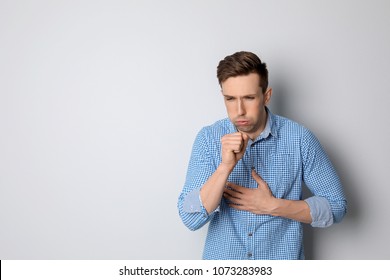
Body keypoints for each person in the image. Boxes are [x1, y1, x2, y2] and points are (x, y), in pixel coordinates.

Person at [177, 51, 347, 260]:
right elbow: (190, 218)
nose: (239, 111)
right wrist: (225, 167)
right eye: (230, 99)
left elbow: (337, 206)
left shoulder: (299, 138)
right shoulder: (209, 139)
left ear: (266, 96)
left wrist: (274, 206)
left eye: (248, 98)